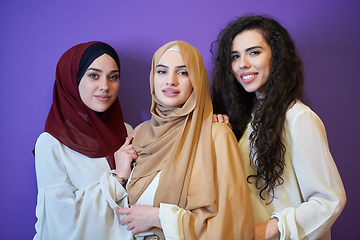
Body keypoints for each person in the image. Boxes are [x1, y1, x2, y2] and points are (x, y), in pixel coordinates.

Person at [211, 15, 346, 240]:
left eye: (254, 52)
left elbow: (328, 200)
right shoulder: (245, 119)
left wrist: (267, 230)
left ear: (277, 57)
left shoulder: (298, 117)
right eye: (235, 56)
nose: (242, 63)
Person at [114, 41, 255, 239]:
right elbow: (121, 214)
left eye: (183, 72)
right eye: (162, 71)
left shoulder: (217, 135)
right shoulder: (141, 133)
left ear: (197, 79)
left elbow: (234, 223)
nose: (170, 81)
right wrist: (119, 176)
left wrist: (160, 218)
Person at [33, 41, 133, 240]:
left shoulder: (127, 131)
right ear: (72, 79)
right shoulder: (51, 144)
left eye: (113, 77)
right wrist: (117, 179)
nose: (105, 86)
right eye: (94, 75)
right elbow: (61, 223)